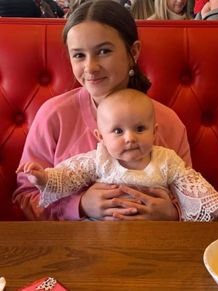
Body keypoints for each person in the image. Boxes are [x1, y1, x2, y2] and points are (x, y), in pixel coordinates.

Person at [13, 0, 191, 221]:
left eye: (104, 51)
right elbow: (26, 195)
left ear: (133, 52)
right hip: (74, 248)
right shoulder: (53, 116)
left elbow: (190, 191)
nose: (90, 67)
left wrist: (172, 213)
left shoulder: (167, 122)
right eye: (79, 55)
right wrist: (79, 206)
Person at [17, 88, 218, 222]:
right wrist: (44, 177)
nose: (130, 138)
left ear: (155, 132)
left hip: (156, 233)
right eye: (118, 131)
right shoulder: (100, 159)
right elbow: (70, 174)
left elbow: (194, 185)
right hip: (100, 230)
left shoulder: (167, 159)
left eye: (139, 129)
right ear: (100, 137)